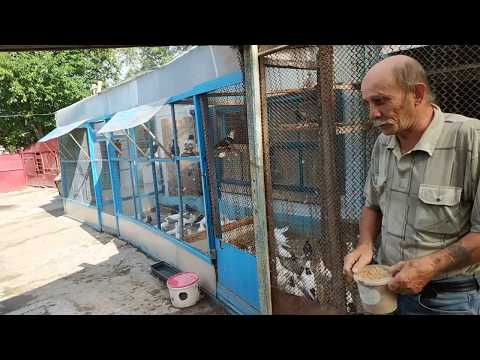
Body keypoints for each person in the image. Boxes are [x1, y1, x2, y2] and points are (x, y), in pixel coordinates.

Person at [343, 54, 480, 315]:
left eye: (381, 100)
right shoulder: (383, 144)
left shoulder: (471, 140)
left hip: (447, 300)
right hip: (386, 288)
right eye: (367, 103)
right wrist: (365, 244)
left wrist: (429, 266)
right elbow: (372, 205)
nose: (372, 113)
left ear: (417, 94)